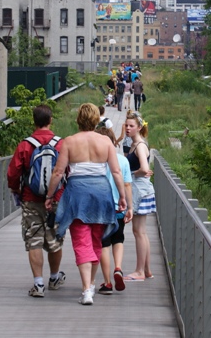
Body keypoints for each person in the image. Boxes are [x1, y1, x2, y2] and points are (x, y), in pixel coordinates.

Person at [45, 103, 127, 306]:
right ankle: (90, 284)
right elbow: (116, 172)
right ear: (96, 119)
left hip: (77, 194)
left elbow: (57, 172)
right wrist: (123, 196)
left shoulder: (69, 142)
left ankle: (86, 290)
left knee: (81, 241)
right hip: (101, 193)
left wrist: (49, 195)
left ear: (78, 119)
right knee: (97, 241)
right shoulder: (106, 142)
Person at [7, 105, 66, 298]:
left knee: (34, 240)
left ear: (34, 121)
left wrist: (16, 189)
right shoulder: (61, 144)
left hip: (30, 199)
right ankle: (55, 278)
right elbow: (68, 172)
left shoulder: (25, 145)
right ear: (51, 120)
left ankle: (38, 284)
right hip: (56, 199)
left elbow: (13, 174)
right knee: (54, 239)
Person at [94, 127, 133, 295]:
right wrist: (130, 207)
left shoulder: (95, 161)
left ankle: (107, 282)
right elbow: (127, 185)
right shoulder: (122, 161)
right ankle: (118, 268)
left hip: (101, 208)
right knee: (119, 239)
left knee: (104, 243)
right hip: (119, 207)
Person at [124, 110, 155, 281]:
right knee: (141, 232)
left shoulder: (140, 146)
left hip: (140, 190)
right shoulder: (135, 144)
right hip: (141, 189)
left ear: (138, 127)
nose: (128, 128)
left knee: (139, 232)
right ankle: (147, 269)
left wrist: (130, 174)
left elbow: (144, 168)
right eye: (126, 125)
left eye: (131, 126)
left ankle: (139, 271)